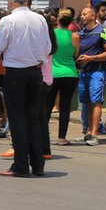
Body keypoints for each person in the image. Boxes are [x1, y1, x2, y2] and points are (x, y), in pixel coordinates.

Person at [0, 0, 54, 176]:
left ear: (11, 2)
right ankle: (38, 164)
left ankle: (20, 165)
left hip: (16, 73)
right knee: (33, 119)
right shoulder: (40, 19)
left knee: (18, 120)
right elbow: (48, 47)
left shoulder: (8, 21)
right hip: (36, 73)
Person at [76, 6, 106, 146]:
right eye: (82, 14)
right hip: (84, 72)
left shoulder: (103, 31)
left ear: (93, 16)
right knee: (86, 102)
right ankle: (87, 132)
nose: (82, 16)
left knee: (96, 101)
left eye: (85, 14)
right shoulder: (82, 32)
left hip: (97, 72)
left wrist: (91, 58)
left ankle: (94, 134)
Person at [43, 10, 79, 150]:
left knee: (48, 105)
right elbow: (75, 54)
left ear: (58, 20)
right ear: (70, 22)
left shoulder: (51, 34)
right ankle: (62, 138)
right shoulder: (75, 36)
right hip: (70, 73)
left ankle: (42, 135)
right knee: (65, 106)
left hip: (53, 73)